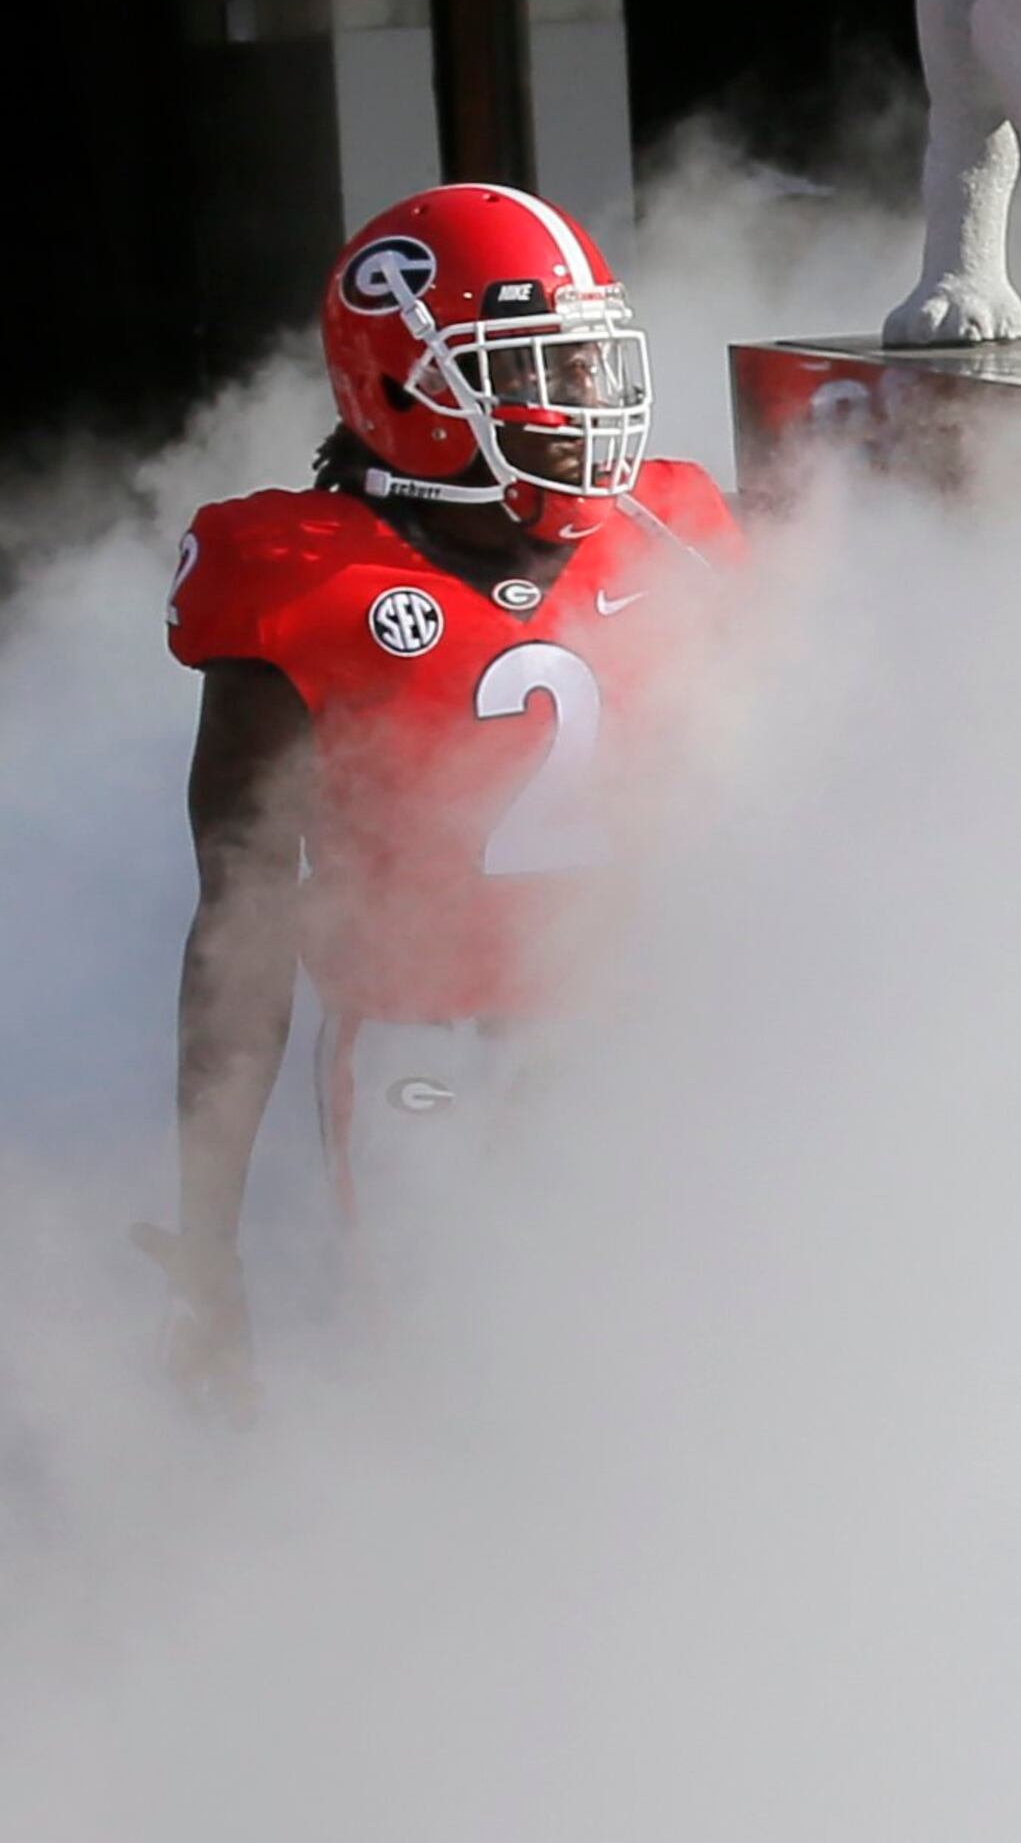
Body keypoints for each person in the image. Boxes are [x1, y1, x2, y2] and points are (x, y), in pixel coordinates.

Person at [150, 183, 742, 1412]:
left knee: (677, 1382)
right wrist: (206, 1241)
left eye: (590, 360)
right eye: (541, 369)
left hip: (648, 1043)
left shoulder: (671, 528)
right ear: (411, 390)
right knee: (445, 1399)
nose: (591, 400)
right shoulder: (299, 576)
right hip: (432, 1067)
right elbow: (239, 938)